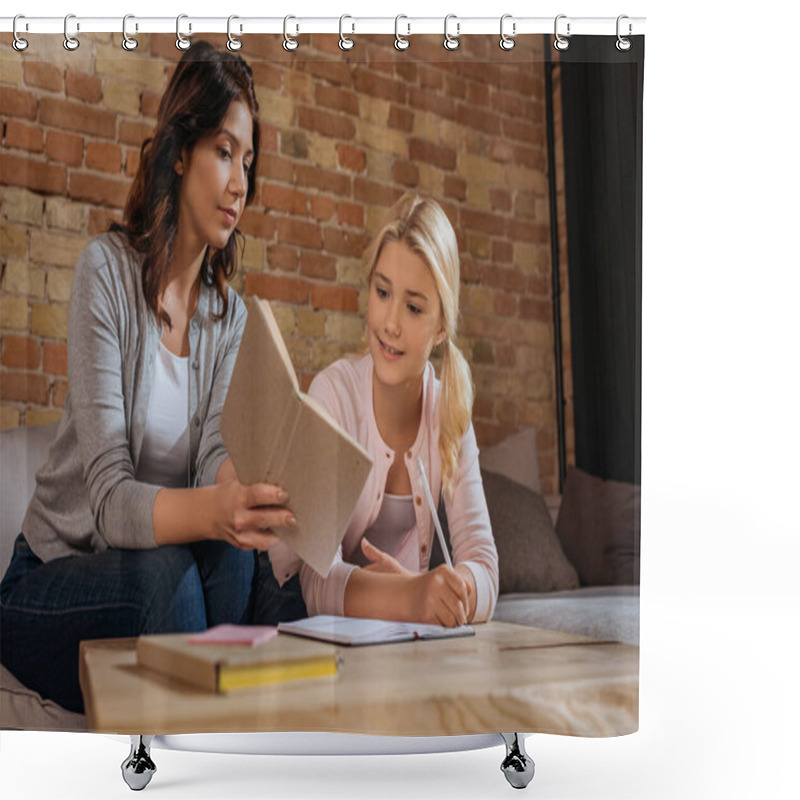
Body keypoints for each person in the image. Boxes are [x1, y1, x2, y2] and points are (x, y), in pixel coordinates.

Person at [0, 42, 293, 714]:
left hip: (166, 578)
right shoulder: (104, 273)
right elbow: (108, 499)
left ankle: (225, 742)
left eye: (248, 162)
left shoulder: (230, 317)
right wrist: (217, 512)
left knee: (236, 560)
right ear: (181, 151)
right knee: (173, 576)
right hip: (48, 582)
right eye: (224, 152)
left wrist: (242, 496)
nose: (239, 184)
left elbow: (215, 452)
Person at [267, 193, 499, 627]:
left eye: (413, 307)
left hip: (384, 631)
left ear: (441, 327)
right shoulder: (333, 396)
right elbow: (314, 584)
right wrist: (409, 595)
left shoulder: (448, 411)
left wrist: (452, 593)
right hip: (287, 606)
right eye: (382, 292)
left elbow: (484, 566)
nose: (390, 322)